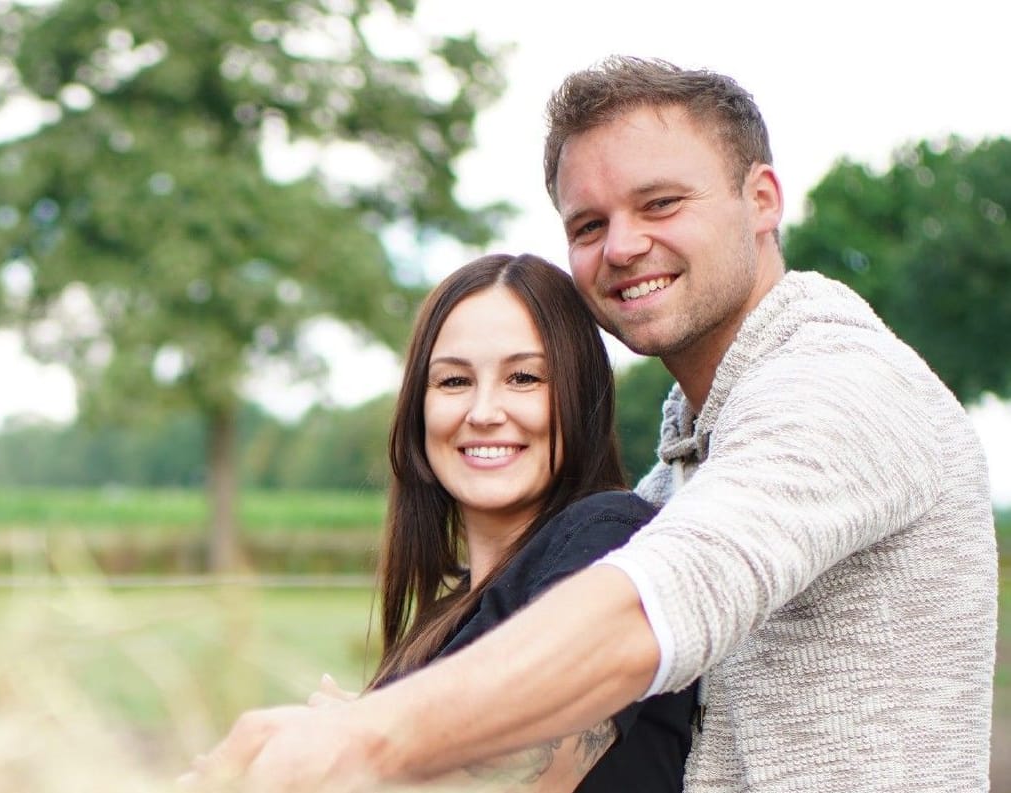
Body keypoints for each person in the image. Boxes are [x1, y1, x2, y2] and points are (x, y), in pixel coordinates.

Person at [191, 56, 998, 792]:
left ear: (761, 200)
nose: (622, 245)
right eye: (588, 225)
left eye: (661, 203)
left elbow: (652, 604)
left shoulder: (841, 384)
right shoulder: (686, 461)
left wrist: (367, 740)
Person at [328, 252, 693, 791]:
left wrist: (343, 743)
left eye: (523, 377)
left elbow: (521, 776)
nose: (483, 412)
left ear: (579, 393)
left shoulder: (612, 541)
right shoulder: (445, 618)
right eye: (453, 382)